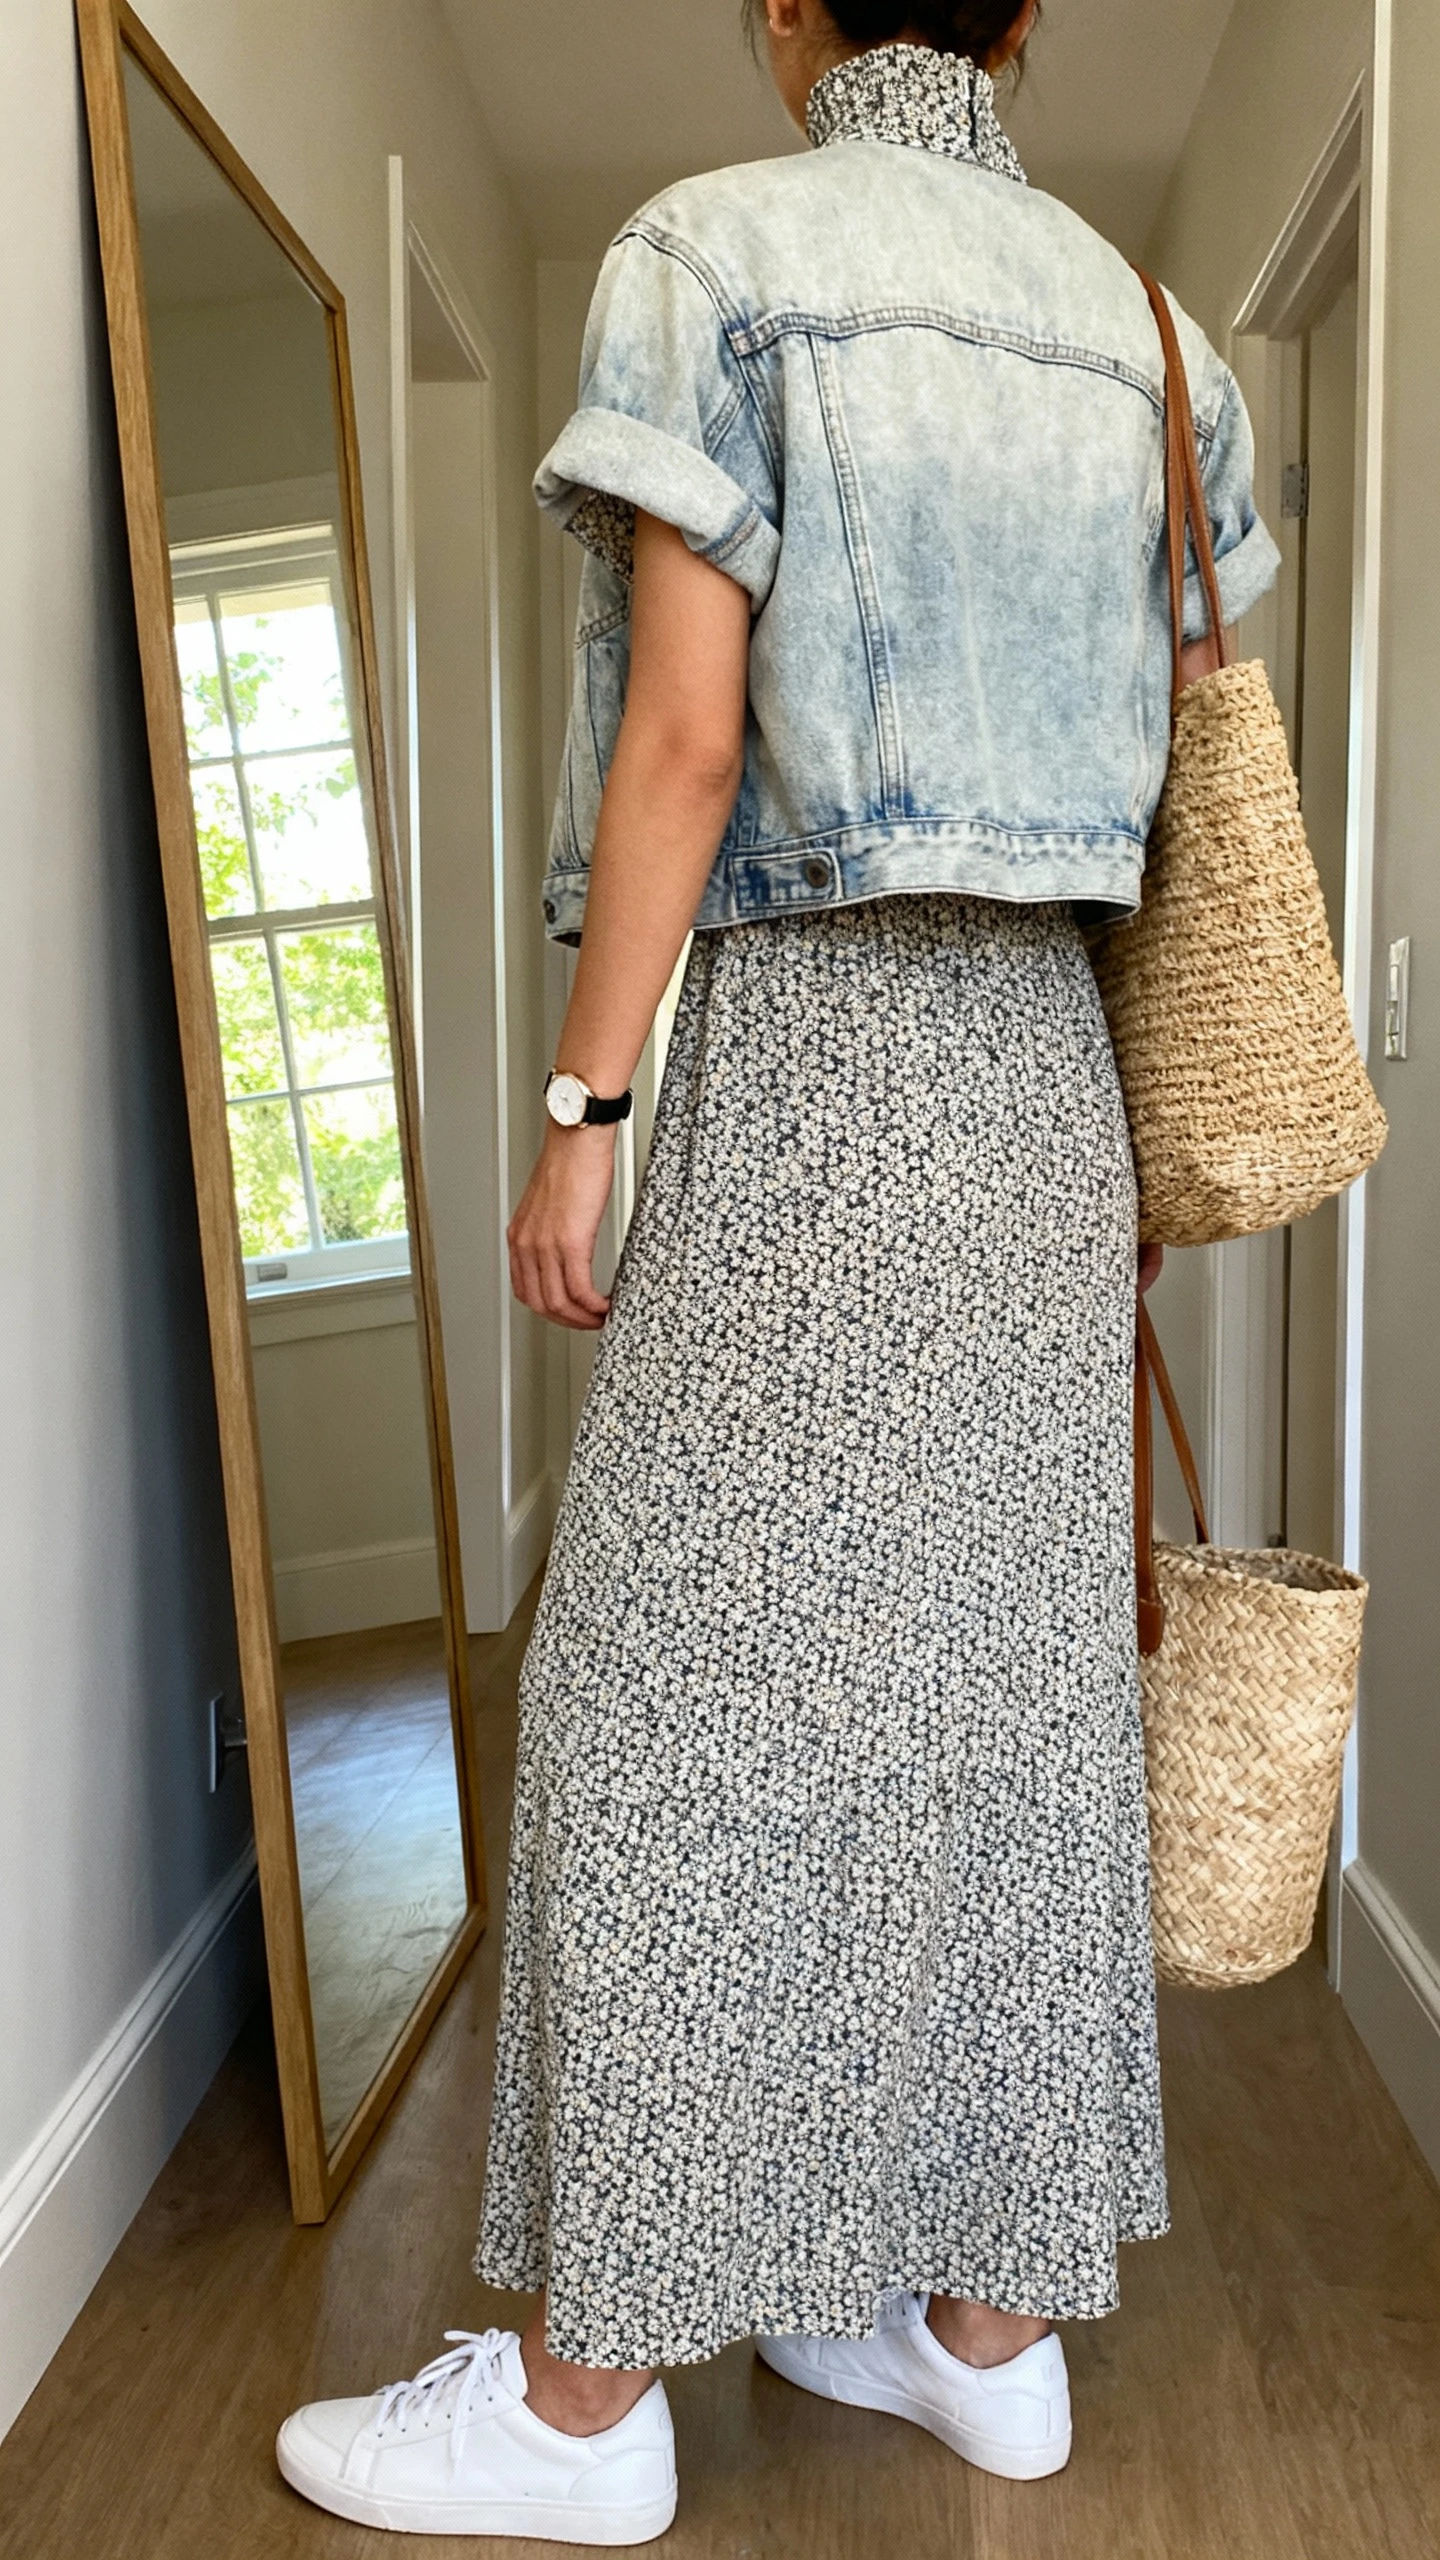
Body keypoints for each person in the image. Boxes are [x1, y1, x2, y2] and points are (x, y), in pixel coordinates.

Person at [277, 0, 1279, 2539]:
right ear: (1030, 20)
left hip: (817, 1064)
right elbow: (1186, 741)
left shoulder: (711, 256)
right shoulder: (1152, 338)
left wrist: (584, 1109)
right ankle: (987, 2327)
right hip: (1047, 1087)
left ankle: (583, 2399)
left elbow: (689, 745)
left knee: (647, 1698)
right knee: (996, 1680)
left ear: (780, 13)